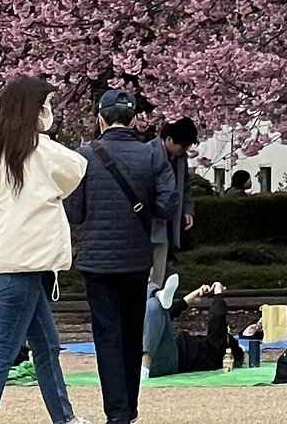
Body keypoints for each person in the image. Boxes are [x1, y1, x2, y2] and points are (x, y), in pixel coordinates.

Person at [0, 72, 89, 424]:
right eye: (46, 105)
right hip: (25, 266)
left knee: (46, 347)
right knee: (3, 353)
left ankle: (65, 417)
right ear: (32, 110)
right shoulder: (40, 150)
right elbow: (77, 169)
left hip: (5, 265)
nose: (48, 112)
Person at [66, 87, 180, 424]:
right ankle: (129, 409)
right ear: (134, 119)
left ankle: (115, 411)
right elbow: (167, 205)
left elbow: (74, 210)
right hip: (135, 258)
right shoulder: (152, 155)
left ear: (100, 118)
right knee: (132, 331)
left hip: (96, 259)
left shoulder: (84, 155)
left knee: (107, 335)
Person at [151, 120, 197, 290]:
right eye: (182, 146)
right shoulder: (150, 153)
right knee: (152, 272)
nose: (183, 151)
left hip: (171, 219)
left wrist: (187, 209)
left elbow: (184, 186)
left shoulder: (180, 159)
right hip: (152, 221)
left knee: (161, 268)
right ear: (169, 139)